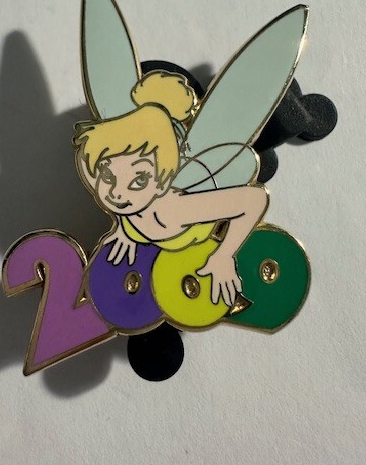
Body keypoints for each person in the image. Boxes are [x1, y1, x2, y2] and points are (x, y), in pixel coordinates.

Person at [74, 71, 268, 307]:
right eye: (107, 175)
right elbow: (87, 159)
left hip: (194, 259)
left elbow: (254, 200)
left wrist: (225, 255)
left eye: (139, 180)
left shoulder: (173, 211)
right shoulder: (119, 190)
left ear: (163, 182)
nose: (116, 193)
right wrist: (125, 229)